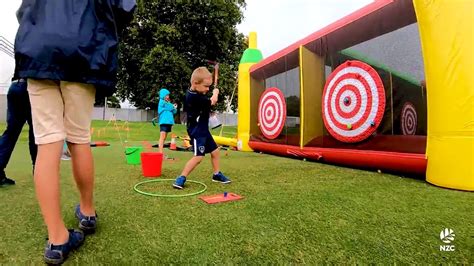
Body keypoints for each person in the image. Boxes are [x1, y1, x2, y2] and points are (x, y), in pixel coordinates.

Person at [14, 0, 136, 264]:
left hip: (38, 49)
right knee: (79, 139)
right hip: (84, 50)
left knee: (48, 143)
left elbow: (23, 11)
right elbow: (125, 8)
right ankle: (88, 212)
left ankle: (57, 238)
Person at [173, 67, 231, 189]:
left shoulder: (195, 92)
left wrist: (210, 91)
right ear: (195, 83)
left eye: (209, 86)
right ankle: (181, 177)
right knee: (198, 157)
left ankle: (216, 174)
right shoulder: (194, 97)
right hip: (197, 131)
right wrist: (215, 93)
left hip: (203, 129)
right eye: (206, 86)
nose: (208, 89)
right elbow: (213, 101)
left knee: (215, 151)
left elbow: (207, 102)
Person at [0, 79, 37, 187]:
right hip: (32, 88)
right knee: (36, 133)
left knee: (11, 132)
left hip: (15, 86)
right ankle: (39, 171)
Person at [157, 88, 177, 157]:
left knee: (164, 137)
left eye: (168, 95)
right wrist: (172, 106)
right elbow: (170, 107)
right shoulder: (161, 101)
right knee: (162, 137)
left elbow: (174, 111)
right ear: (163, 95)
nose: (168, 97)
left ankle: (161, 152)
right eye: (166, 95)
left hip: (169, 122)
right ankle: (160, 153)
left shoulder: (168, 103)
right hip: (164, 122)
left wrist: (175, 108)